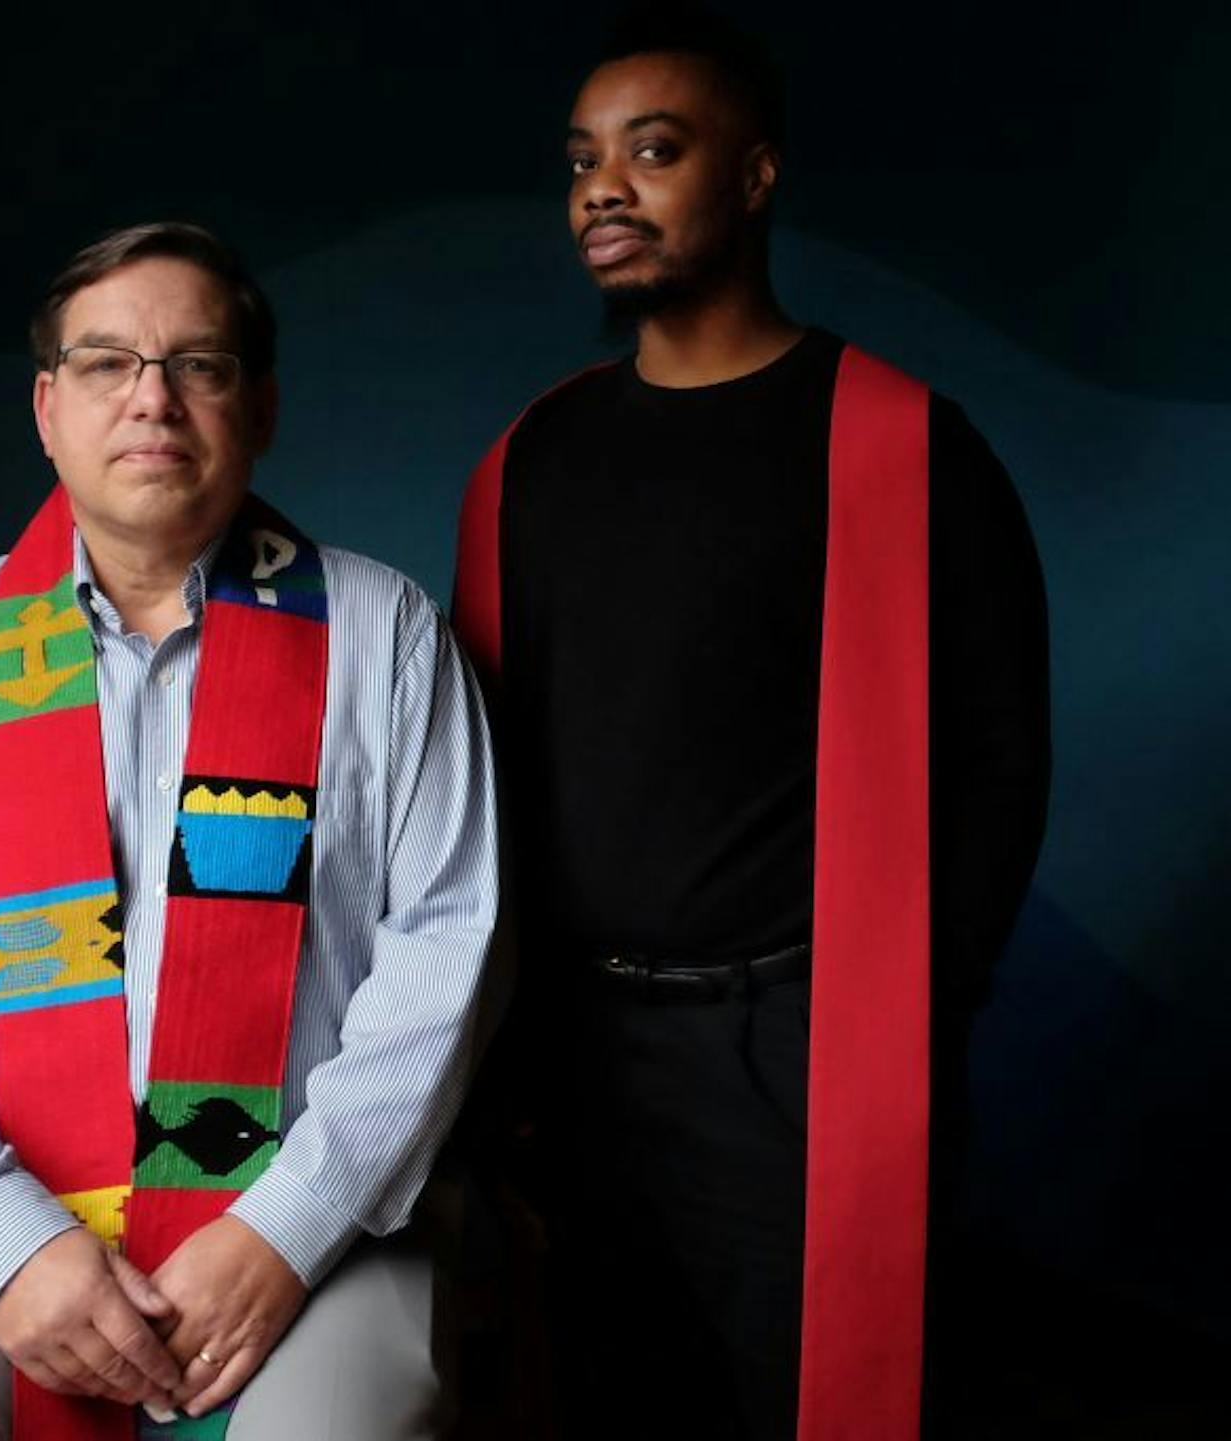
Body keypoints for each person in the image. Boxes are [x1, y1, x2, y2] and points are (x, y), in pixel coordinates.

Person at [0, 222, 496, 1441]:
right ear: (46, 408)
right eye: (106, 362)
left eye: (200, 365)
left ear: (261, 405)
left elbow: (448, 955)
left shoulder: (388, 641)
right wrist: (6, 1249)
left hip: (294, 1214)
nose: (152, 399)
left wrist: (287, 1227)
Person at [452, 9, 1050, 1438]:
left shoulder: (903, 442)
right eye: (584, 159)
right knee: (611, 1394)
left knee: (830, 1401)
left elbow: (998, 760)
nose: (606, 187)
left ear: (759, 176)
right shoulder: (530, 460)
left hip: (796, 1044)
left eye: (654, 151)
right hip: (580, 1044)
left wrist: (917, 1006)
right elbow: (479, 767)